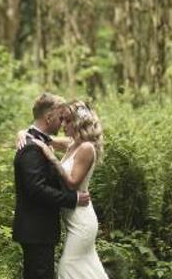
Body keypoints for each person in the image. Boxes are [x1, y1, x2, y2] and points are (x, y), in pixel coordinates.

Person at [18, 100, 107, 279]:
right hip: (72, 219)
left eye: (67, 121)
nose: (63, 124)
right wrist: (22, 133)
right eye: (62, 120)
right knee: (87, 268)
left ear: (78, 123)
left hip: (81, 220)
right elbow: (40, 137)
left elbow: (73, 183)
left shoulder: (86, 148)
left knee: (67, 269)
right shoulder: (72, 143)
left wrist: (52, 158)